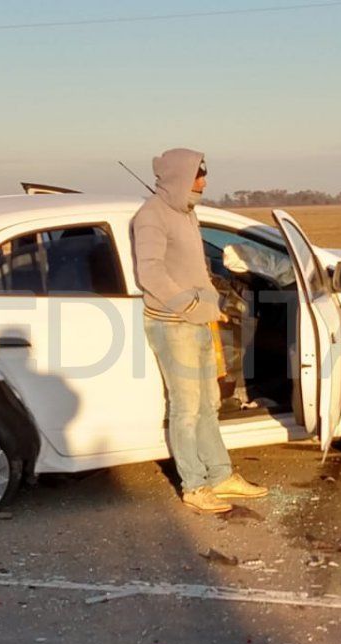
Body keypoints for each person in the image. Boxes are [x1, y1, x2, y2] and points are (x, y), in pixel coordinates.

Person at [130, 148, 269, 513]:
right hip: (174, 325)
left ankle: (220, 476)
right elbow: (151, 272)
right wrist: (189, 306)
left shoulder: (186, 213)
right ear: (179, 176)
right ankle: (194, 485)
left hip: (199, 322)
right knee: (187, 408)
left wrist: (210, 307)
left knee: (209, 404)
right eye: (198, 175)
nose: (204, 182)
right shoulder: (151, 217)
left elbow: (192, 268)